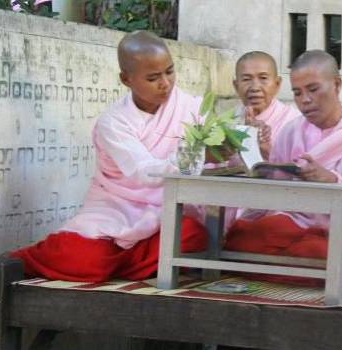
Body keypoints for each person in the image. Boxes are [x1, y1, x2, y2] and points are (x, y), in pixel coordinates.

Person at [11, 31, 207, 282]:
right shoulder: (113, 122)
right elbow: (144, 172)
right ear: (126, 79)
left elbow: (219, 157)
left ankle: (118, 265)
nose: (165, 83)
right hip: (116, 207)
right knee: (85, 258)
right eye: (153, 77)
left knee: (193, 234)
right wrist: (195, 154)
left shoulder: (190, 107)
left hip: (162, 209)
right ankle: (26, 258)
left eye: (169, 71)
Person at [223, 50, 342, 283]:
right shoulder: (291, 131)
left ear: (337, 85)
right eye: (297, 93)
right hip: (300, 222)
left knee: (316, 253)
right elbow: (276, 189)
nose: (305, 100)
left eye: (313, 90)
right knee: (240, 238)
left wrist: (332, 179)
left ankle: (291, 267)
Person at [233, 51, 301, 160]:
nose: (255, 87)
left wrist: (263, 146)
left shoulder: (294, 122)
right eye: (246, 79)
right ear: (236, 86)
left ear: (277, 84)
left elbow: (298, 169)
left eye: (263, 78)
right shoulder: (229, 121)